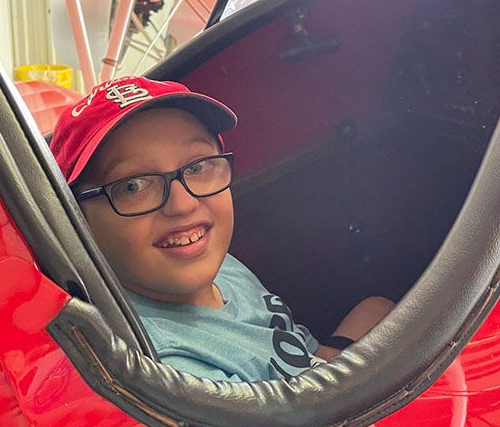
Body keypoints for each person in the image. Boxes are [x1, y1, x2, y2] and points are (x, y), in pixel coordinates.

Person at [50, 75, 393, 382]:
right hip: (311, 419)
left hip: (310, 370)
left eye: (198, 165)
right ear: (79, 221)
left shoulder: (210, 259)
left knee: (376, 308)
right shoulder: (176, 368)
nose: (183, 204)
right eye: (133, 186)